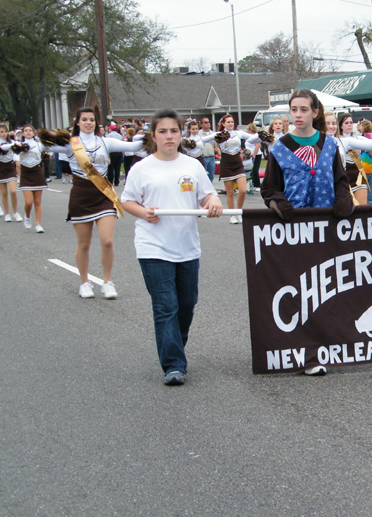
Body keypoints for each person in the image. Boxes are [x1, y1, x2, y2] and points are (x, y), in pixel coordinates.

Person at [121, 109, 224, 386]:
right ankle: (174, 365)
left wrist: (213, 202)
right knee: (166, 306)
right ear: (153, 136)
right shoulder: (141, 169)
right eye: (163, 131)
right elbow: (127, 201)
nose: (169, 136)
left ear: (181, 134)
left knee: (186, 305)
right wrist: (144, 213)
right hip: (152, 247)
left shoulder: (192, 166)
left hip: (187, 247)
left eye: (174, 131)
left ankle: (175, 346)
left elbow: (208, 195)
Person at [262, 90, 354, 375]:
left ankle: (327, 346)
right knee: (300, 291)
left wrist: (343, 199)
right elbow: (269, 188)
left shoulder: (330, 144)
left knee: (327, 288)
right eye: (293, 109)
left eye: (303, 109)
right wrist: (280, 203)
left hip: (326, 229)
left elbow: (340, 179)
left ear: (315, 112)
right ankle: (305, 352)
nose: (298, 114)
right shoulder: (279, 148)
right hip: (294, 231)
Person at [47, 107, 145, 298]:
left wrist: (149, 136)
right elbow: (45, 147)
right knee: (84, 244)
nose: (88, 123)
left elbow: (133, 147)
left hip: (103, 196)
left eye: (92, 120)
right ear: (78, 122)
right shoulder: (70, 144)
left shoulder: (105, 141)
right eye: (84, 119)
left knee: (107, 241)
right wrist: (46, 138)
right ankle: (84, 282)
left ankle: (107, 282)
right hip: (81, 196)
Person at [199, 114, 258, 224]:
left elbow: (252, 138)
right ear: (223, 124)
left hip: (238, 163)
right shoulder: (218, 134)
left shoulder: (238, 133)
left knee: (243, 190)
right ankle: (232, 215)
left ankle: (238, 212)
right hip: (226, 164)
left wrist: (262, 135)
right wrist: (195, 147)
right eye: (228, 122)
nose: (231, 123)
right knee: (230, 192)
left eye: (232, 121)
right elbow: (202, 140)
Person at [335, 113, 372, 205]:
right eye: (346, 123)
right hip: (345, 175)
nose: (350, 124)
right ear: (341, 126)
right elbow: (370, 145)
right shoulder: (338, 140)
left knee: (361, 207)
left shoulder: (357, 138)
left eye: (351, 122)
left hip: (358, 175)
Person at [15, 124, 49, 233]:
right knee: (29, 202)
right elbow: (15, 157)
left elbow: (49, 149)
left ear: (34, 133)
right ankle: (27, 215)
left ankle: (38, 224)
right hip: (25, 173)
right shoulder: (19, 145)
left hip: (37, 173)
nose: (28, 132)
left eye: (30, 130)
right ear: (23, 133)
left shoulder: (39, 145)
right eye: (26, 130)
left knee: (38, 201)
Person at [0, 124, 23, 222]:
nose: (4, 133)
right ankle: (7, 214)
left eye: (5, 131)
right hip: (0, 167)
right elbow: (3, 148)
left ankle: (15, 212)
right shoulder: (10, 144)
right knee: (4, 193)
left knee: (13, 191)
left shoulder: (12, 142)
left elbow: (16, 154)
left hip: (10, 167)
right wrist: (14, 145)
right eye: (1, 132)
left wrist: (17, 161)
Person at [198, 117, 217, 183]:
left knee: (211, 176)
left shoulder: (213, 134)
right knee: (203, 176)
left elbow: (216, 146)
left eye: (208, 122)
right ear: (201, 124)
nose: (208, 124)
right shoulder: (198, 134)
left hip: (211, 157)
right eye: (205, 122)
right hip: (203, 157)